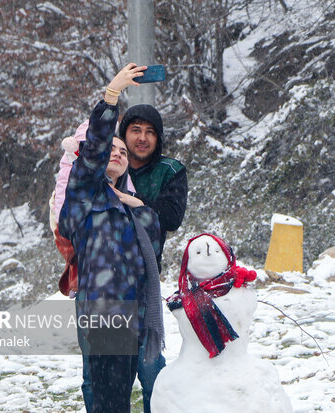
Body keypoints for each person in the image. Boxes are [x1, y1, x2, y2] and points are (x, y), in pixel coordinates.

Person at [59, 63, 164, 413]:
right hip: (104, 315)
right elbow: (91, 154)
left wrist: (141, 207)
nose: (117, 153)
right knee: (109, 403)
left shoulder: (140, 211)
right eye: (111, 149)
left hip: (136, 315)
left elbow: (150, 264)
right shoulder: (84, 196)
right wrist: (111, 97)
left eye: (123, 151)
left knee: (119, 400)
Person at [117, 101, 188, 413]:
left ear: (158, 139)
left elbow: (171, 217)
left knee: (150, 368)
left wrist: (132, 202)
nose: (142, 138)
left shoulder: (169, 171)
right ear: (124, 134)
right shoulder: (111, 164)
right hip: (105, 281)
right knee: (106, 372)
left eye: (149, 132)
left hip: (145, 276)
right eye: (135, 130)